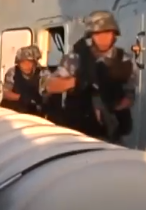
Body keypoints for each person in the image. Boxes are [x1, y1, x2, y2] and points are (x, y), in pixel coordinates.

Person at [45, 10, 137, 143]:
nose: (103, 38)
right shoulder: (76, 57)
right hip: (79, 134)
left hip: (111, 133)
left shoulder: (125, 60)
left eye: (107, 32)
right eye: (98, 34)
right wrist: (76, 81)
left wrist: (115, 107)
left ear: (114, 34)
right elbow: (49, 86)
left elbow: (130, 95)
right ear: (91, 35)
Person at [0, 45, 51, 116]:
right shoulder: (13, 72)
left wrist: (39, 100)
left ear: (35, 63)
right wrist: (21, 98)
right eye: (23, 63)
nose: (26, 65)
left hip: (35, 113)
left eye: (29, 62)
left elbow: (47, 93)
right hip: (14, 112)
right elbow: (5, 93)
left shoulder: (43, 73)